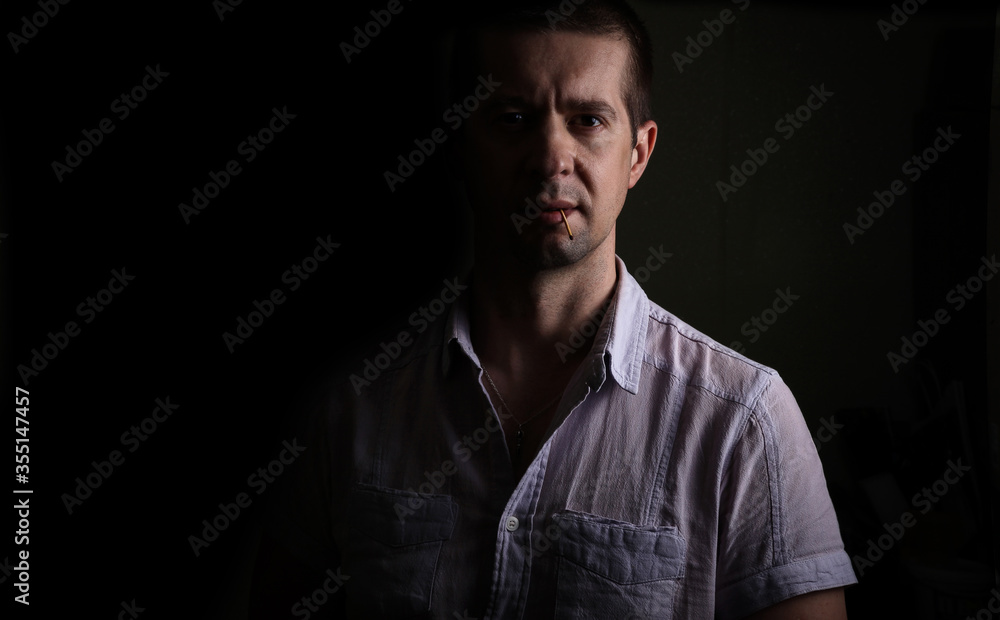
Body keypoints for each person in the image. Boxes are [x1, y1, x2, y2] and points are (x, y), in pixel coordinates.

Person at [251, 1, 858, 617]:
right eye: (512, 118)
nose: (549, 158)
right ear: (458, 148)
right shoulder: (354, 409)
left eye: (589, 120)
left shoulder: (745, 423)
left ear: (638, 155)